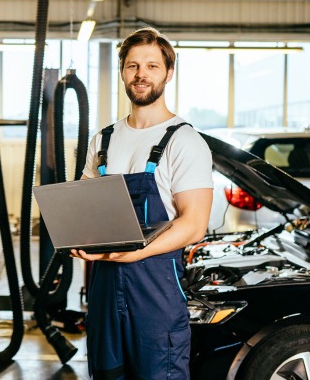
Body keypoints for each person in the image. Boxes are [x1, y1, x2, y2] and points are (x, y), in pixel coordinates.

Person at [70, 27, 213, 379]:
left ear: (168, 73)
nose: (141, 74)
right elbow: (86, 209)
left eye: (152, 66)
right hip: (104, 291)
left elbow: (194, 223)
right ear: (122, 71)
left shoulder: (185, 141)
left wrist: (136, 253)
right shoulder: (103, 139)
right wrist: (78, 237)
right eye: (133, 66)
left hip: (157, 293)